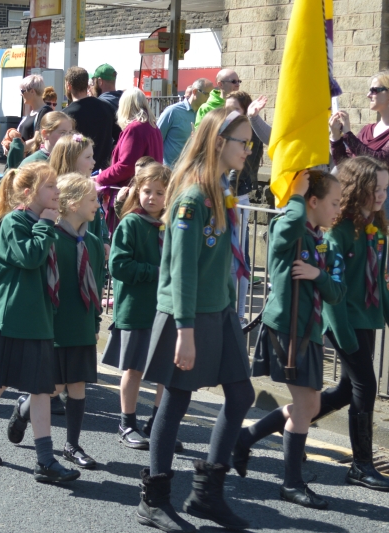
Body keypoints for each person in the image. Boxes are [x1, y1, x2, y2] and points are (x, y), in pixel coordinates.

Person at [237, 156, 389, 494]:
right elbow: (335, 292)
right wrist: (297, 194)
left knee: (336, 394)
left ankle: (250, 437)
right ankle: (360, 465)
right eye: (374, 188)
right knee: (360, 387)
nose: (381, 195)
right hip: (325, 325)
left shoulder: (375, 229)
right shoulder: (331, 233)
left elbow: (367, 282)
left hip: (361, 320)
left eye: (385, 189)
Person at [135, 109, 255, 533]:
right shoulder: (191, 199)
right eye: (244, 141)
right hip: (188, 315)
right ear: (219, 143)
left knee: (241, 395)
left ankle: (206, 494)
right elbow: (182, 270)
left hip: (217, 311)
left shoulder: (218, 189)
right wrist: (184, 331)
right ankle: (155, 498)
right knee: (176, 401)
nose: (248, 149)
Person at [0, 161, 80, 484]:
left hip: (39, 319)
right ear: (30, 193)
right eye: (51, 187)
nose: (57, 192)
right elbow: (30, 258)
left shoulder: (48, 222)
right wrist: (45, 225)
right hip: (12, 318)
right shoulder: (15, 222)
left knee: (41, 390)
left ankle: (45, 460)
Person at [237, 170, 343, 509]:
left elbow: (337, 292)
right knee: (307, 405)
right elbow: (289, 222)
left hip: (310, 331)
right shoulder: (287, 228)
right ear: (312, 202)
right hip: (287, 329)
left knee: (308, 405)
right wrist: (295, 194)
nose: (338, 209)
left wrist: (318, 274)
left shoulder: (322, 239)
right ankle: (291, 482)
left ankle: (245, 438)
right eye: (334, 202)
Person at [8, 172, 104, 470]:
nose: (98, 206)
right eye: (92, 200)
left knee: (78, 386)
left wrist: (96, 317)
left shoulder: (94, 242)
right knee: (53, 387)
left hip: (83, 322)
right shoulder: (51, 236)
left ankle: (72, 445)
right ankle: (23, 409)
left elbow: (97, 281)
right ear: (72, 203)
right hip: (55, 322)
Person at [101, 163, 186, 452]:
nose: (151, 198)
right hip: (137, 307)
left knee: (165, 371)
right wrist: (157, 271)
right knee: (134, 369)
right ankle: (127, 422)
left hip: (166, 310)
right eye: (146, 191)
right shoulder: (131, 223)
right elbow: (119, 265)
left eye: (159, 192)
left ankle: (158, 424)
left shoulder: (173, 224)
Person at [97, 88, 163, 232]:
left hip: (130, 197)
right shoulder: (153, 126)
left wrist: (99, 178)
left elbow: (126, 166)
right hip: (147, 193)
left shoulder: (135, 128)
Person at [225, 90, 266, 325]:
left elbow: (235, 172)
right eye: (226, 108)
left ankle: (239, 315)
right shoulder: (227, 130)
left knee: (237, 262)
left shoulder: (249, 133)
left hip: (236, 199)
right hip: (225, 197)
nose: (228, 113)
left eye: (234, 109)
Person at [331, 71, 389, 167]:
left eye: (374, 90)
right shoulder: (367, 130)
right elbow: (344, 164)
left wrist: (348, 134)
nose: (368, 95)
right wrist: (335, 137)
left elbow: (379, 161)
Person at [63, 66, 115, 170]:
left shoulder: (66, 115)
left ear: (68, 86)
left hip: (78, 172)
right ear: (87, 85)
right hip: (104, 173)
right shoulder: (107, 107)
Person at [158, 78, 213, 168]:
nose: (210, 98)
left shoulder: (206, 114)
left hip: (191, 173)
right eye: (207, 94)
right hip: (170, 173)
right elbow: (157, 140)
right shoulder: (173, 111)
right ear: (195, 92)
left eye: (211, 95)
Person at [17, 74, 52, 143]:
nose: (21, 94)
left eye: (22, 91)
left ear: (32, 91)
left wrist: (17, 149)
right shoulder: (32, 112)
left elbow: (36, 140)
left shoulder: (45, 111)